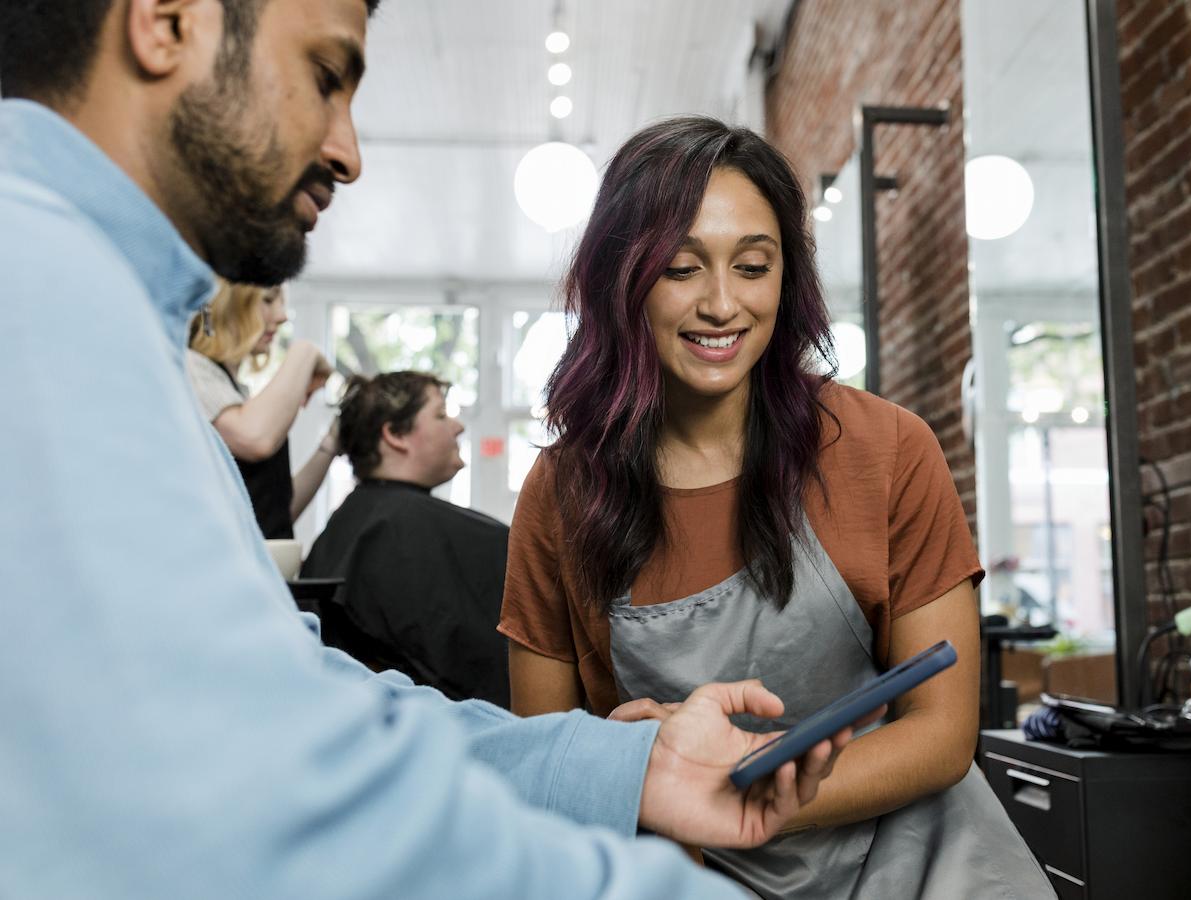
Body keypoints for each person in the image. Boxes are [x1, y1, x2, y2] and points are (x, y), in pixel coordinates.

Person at [0, 3, 873, 898]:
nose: (348, 152)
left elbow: (296, 702)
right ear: (169, 20)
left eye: (752, 266)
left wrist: (626, 769)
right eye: (325, 76)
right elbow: (251, 805)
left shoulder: (105, 318)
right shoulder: (39, 301)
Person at [499, 117, 1054, 898]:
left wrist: (742, 794)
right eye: (681, 270)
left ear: (786, 277)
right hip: (690, 877)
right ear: (621, 281)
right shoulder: (562, 495)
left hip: (921, 866)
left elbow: (941, 732)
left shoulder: (885, 449)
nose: (723, 304)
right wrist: (618, 773)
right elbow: (545, 762)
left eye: (753, 266)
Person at [301, 371, 511, 706]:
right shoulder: (395, 528)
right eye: (441, 415)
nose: (458, 426)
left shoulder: (357, 523)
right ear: (396, 434)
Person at [187, 280, 336, 539]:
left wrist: (331, 444)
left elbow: (273, 515)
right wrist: (305, 351)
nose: (281, 316)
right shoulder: (190, 368)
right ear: (224, 304)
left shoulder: (234, 394)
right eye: (268, 300)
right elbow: (254, 439)